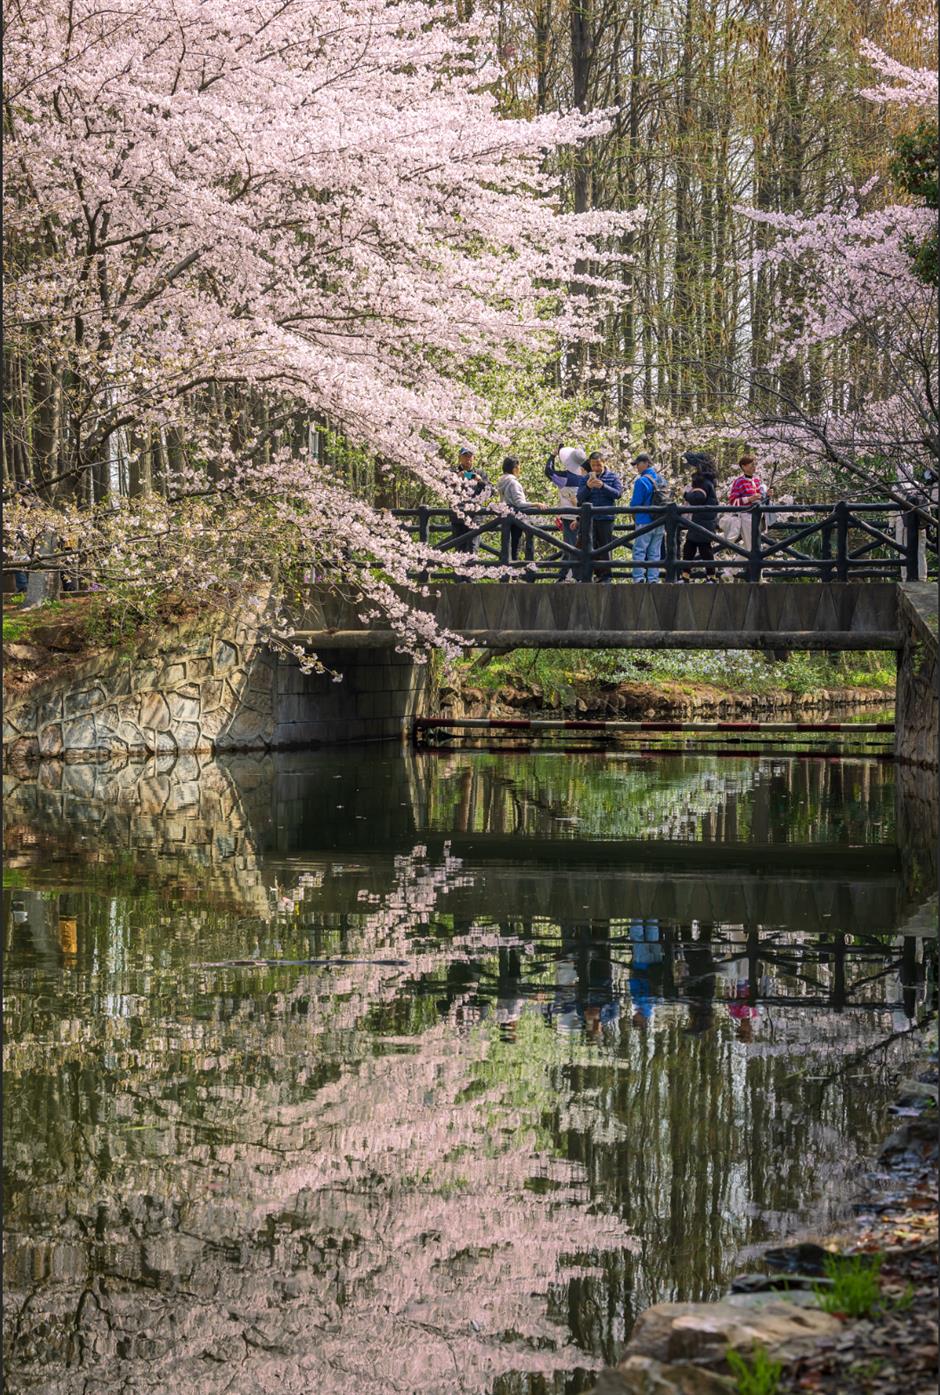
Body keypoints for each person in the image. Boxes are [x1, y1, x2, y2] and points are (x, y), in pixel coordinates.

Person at [577, 450, 624, 582]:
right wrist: (588, 487)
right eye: (593, 465)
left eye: (598, 465)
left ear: (604, 463)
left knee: (605, 548)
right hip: (590, 520)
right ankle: (589, 575)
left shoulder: (613, 477)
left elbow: (618, 494)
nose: (596, 468)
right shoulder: (585, 479)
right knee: (589, 547)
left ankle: (606, 576)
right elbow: (579, 498)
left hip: (606, 518)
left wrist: (603, 486)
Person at [545, 446, 588, 580]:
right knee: (577, 545)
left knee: (569, 546)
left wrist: (552, 456)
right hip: (583, 516)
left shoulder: (566, 478)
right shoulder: (584, 477)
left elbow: (549, 471)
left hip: (569, 517)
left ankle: (570, 576)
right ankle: (568, 575)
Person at [448, 446, 490, 578]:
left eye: (470, 456)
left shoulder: (480, 474)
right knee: (459, 548)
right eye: (465, 456)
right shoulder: (452, 472)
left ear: (474, 458)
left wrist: (479, 481)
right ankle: (459, 578)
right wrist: (456, 478)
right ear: (460, 458)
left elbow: (490, 491)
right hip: (458, 517)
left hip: (475, 517)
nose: (468, 459)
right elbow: (443, 489)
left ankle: (470, 578)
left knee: (472, 548)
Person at [722, 454, 766, 580]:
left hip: (758, 517)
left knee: (754, 548)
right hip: (746, 516)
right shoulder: (739, 481)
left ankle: (730, 572)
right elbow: (733, 501)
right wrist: (749, 499)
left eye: (755, 464)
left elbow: (761, 498)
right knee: (752, 548)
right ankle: (733, 572)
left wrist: (766, 495)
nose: (754, 467)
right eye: (752, 464)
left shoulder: (757, 481)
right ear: (744, 466)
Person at [680, 452, 719, 581]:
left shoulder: (703, 482)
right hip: (704, 519)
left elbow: (698, 498)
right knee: (692, 547)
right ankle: (688, 575)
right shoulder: (708, 482)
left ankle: (710, 576)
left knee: (702, 548)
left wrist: (685, 494)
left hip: (702, 520)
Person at [628, 453, 666, 583]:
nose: (636, 468)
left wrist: (631, 508)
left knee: (639, 550)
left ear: (645, 463)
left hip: (644, 520)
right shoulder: (661, 479)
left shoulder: (642, 481)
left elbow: (636, 502)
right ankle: (653, 578)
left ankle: (639, 577)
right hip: (660, 520)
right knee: (655, 552)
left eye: (637, 464)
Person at [496, 455, 530, 561]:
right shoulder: (513, 483)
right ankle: (514, 573)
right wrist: (536, 504)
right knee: (515, 546)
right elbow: (519, 503)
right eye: (519, 466)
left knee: (506, 545)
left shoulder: (501, 481)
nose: (520, 469)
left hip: (505, 517)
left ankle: (507, 571)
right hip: (515, 517)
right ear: (514, 468)